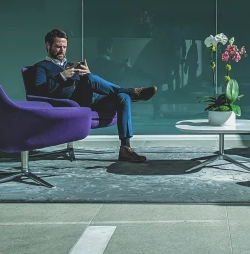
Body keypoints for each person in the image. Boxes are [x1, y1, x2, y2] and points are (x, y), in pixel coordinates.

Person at [33, 29, 157, 162]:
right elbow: (38, 92)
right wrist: (62, 76)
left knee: (122, 98)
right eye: (58, 47)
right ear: (48, 46)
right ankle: (132, 92)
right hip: (73, 103)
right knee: (92, 79)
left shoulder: (71, 65)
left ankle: (125, 148)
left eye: (64, 47)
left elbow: (89, 84)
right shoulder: (41, 67)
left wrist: (86, 74)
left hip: (92, 98)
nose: (62, 50)